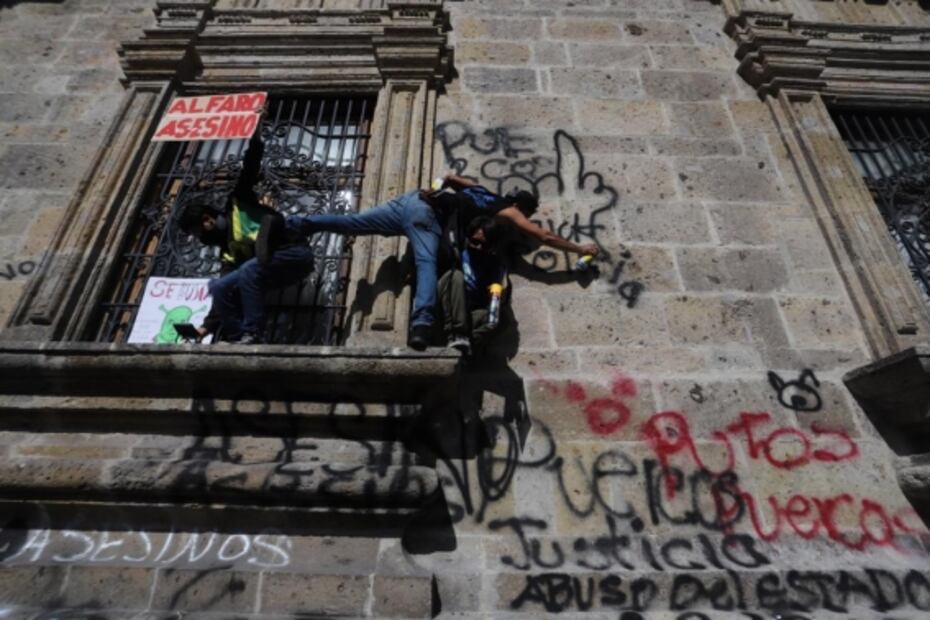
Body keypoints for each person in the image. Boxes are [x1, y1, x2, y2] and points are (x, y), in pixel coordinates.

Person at [267, 188, 444, 350]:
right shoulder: (459, 199)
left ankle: (288, 226)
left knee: (352, 222)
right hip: (426, 213)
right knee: (426, 263)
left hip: (408, 201)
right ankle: (422, 325)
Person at [178, 133, 314, 344]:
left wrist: (256, 137)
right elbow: (225, 287)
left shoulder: (238, 203)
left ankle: (253, 332)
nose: (199, 238)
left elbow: (249, 169)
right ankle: (237, 336)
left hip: (293, 253)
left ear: (207, 219)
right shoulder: (228, 252)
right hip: (274, 268)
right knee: (225, 285)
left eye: (197, 232)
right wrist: (206, 327)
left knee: (248, 272)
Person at [440, 174, 600, 260]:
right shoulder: (510, 211)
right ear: (517, 207)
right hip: (442, 219)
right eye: (527, 214)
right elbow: (545, 236)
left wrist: (435, 189)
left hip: (438, 205)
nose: (525, 220)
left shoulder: (483, 192)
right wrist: (579, 249)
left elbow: (450, 178)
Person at [438, 215, 508, 356]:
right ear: (468, 238)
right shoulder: (454, 252)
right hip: (444, 311)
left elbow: (495, 297)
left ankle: (467, 345)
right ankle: (456, 335)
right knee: (456, 276)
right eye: (475, 242)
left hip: (468, 315)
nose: (479, 248)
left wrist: (492, 321)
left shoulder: (493, 266)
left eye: (485, 245)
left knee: (499, 317)